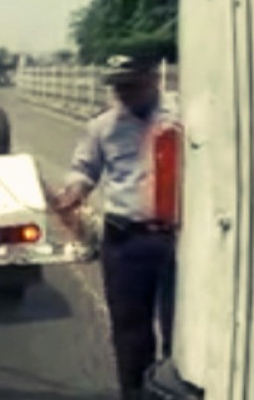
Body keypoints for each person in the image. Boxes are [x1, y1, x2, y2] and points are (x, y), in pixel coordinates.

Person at [52, 54, 177, 400]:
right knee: (130, 331)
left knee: (180, 332)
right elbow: (84, 169)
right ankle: (135, 393)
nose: (122, 92)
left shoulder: (183, 119)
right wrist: (74, 192)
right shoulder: (103, 126)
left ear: (153, 79)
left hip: (177, 241)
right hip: (125, 241)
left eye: (130, 84)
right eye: (117, 86)